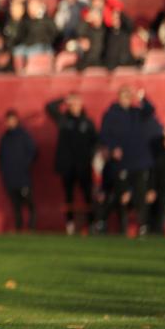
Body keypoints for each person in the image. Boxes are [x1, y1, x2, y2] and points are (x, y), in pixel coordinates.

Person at [99, 86, 157, 236]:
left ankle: (142, 225)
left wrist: (142, 97)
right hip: (122, 162)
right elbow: (104, 135)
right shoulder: (111, 114)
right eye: (124, 95)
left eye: (128, 96)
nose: (127, 98)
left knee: (140, 194)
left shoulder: (136, 112)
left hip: (139, 160)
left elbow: (150, 110)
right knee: (122, 195)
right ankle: (122, 227)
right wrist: (113, 148)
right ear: (118, 96)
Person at [45, 94, 97, 234]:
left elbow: (95, 142)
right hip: (67, 166)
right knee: (69, 196)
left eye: (77, 103)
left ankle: (91, 223)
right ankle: (70, 224)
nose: (74, 107)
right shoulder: (63, 120)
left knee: (87, 195)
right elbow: (49, 107)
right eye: (72, 104)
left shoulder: (87, 122)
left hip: (83, 166)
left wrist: (91, 157)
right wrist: (64, 99)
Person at [0, 110, 37, 231]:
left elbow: (33, 152)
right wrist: (4, 171)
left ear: (16, 120)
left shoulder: (23, 135)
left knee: (28, 201)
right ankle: (19, 227)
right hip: (10, 178)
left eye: (12, 120)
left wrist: (24, 165)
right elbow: (0, 157)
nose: (10, 123)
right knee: (16, 205)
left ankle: (32, 226)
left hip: (22, 177)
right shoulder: (5, 138)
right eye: (8, 120)